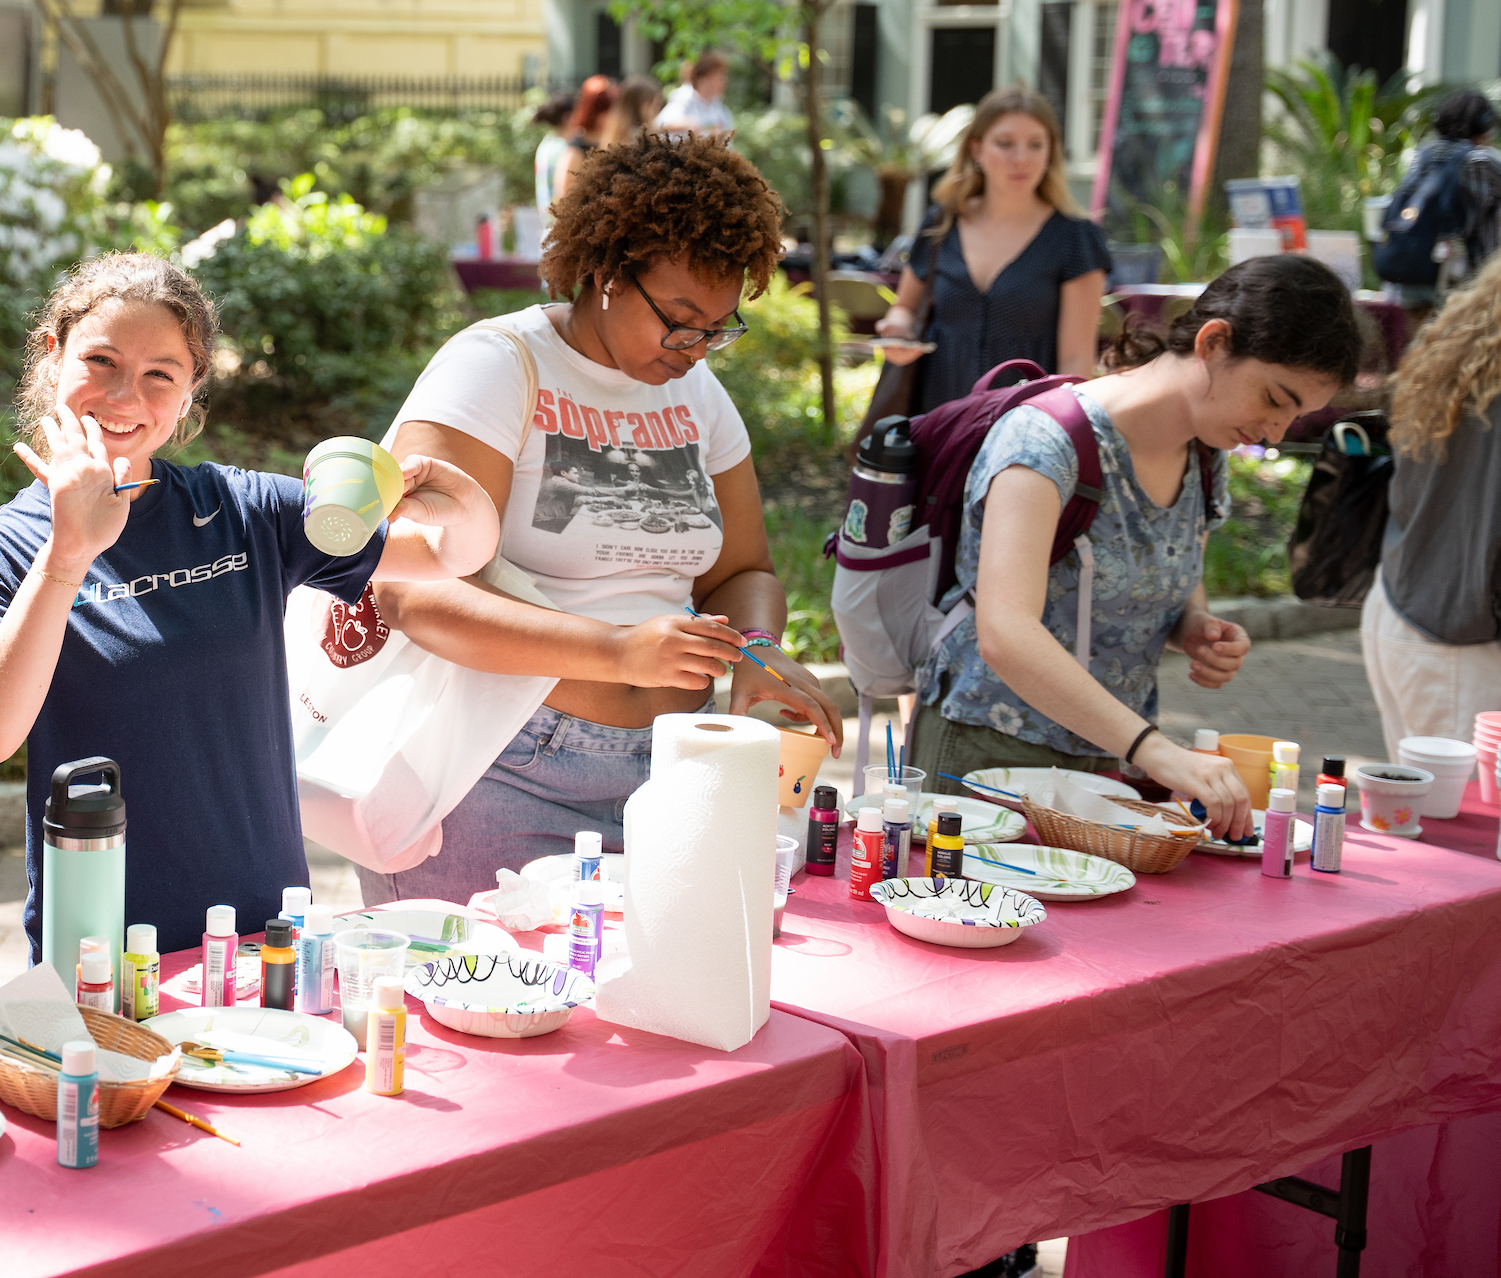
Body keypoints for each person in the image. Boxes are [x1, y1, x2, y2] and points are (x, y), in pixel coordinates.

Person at [0, 253, 500, 956]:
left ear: (190, 389)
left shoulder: (241, 509)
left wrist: (458, 498)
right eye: (101, 361)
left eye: (159, 375)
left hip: (265, 932)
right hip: (100, 946)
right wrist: (67, 555)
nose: (124, 396)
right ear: (54, 356)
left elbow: (447, 556)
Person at [349, 131, 845, 905]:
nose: (697, 347)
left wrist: (754, 652)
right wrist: (619, 652)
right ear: (610, 271)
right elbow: (410, 592)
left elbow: (742, 572)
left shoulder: (699, 395)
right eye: (680, 318)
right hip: (499, 773)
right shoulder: (496, 366)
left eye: (720, 326)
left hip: (670, 776)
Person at [913, 255, 1365, 839]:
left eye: (1296, 415)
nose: (1276, 432)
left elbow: (1174, 580)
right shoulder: (1044, 439)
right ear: (1214, 342)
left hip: (1107, 763)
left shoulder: (1205, 453)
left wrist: (1195, 627)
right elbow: (1005, 632)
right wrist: (1158, 751)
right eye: (1276, 399)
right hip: (988, 757)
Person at [875, 86, 1109, 414]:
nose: (1021, 159)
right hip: (936, 425)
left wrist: (1064, 435)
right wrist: (898, 331)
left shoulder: (1075, 238)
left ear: (1050, 153)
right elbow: (905, 308)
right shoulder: (941, 224)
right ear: (976, 149)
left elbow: (1076, 361)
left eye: (1036, 145)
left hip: (1023, 432)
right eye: (1005, 143)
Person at [1362, 253, 1501, 747]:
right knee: (1457, 817)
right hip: (1459, 636)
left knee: (1416, 813)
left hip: (1404, 605)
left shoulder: (1464, 349)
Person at [1381, 87, 1501, 314]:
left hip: (1413, 273)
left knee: (1423, 344)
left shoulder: (1424, 154)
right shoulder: (1482, 159)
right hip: (1467, 279)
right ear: (1484, 126)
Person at [655, 51, 735, 139]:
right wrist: (684, 124)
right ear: (703, 78)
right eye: (718, 77)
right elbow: (658, 126)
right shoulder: (683, 99)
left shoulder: (718, 107)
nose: (723, 82)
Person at [559, 75, 618, 187]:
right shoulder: (575, 151)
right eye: (606, 110)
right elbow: (564, 197)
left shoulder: (612, 143)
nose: (611, 116)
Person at [530, 88, 576, 220]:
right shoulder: (564, 149)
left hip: (548, 223)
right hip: (559, 225)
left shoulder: (547, 143)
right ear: (568, 117)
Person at [607, 75, 664, 145]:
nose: (656, 110)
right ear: (644, 105)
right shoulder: (639, 138)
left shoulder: (617, 131)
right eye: (655, 105)